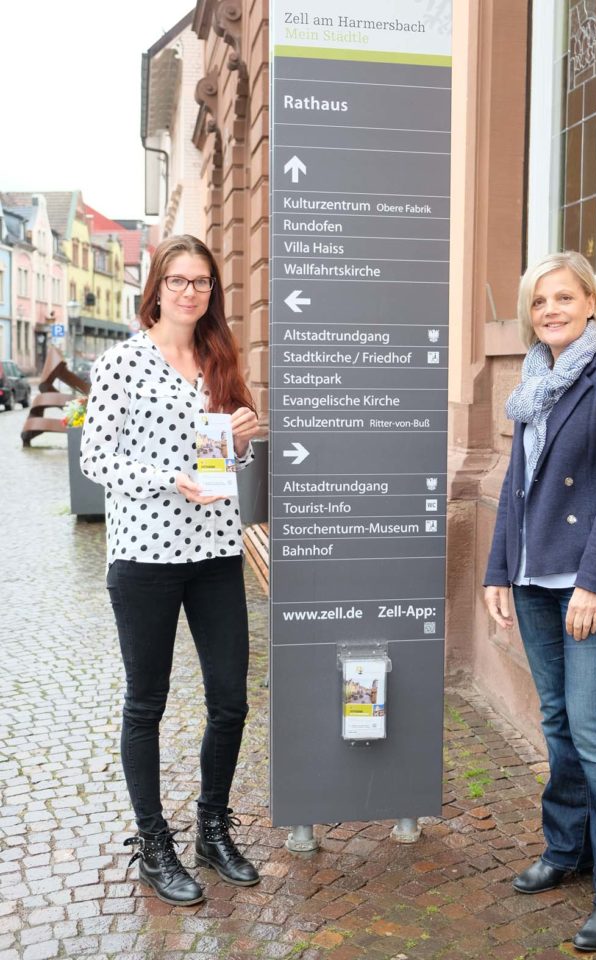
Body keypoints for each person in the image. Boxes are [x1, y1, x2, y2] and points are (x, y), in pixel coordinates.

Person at [81, 234, 262, 906]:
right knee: (146, 704)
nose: (191, 292)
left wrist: (240, 443)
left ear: (213, 291)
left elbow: (226, 463)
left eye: (202, 282)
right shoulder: (122, 363)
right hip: (146, 556)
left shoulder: (219, 359)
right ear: (156, 288)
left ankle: (212, 830)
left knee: (231, 698)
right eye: (178, 280)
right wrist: (167, 478)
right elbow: (95, 458)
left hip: (214, 550)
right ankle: (155, 844)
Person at [483, 252, 596, 952]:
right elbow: (516, 486)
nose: (549, 310)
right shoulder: (533, 382)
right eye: (538, 301)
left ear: (590, 302)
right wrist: (498, 570)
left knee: (593, 729)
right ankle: (566, 848)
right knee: (556, 721)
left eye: (563, 297)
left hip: (589, 581)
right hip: (532, 576)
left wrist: (592, 581)